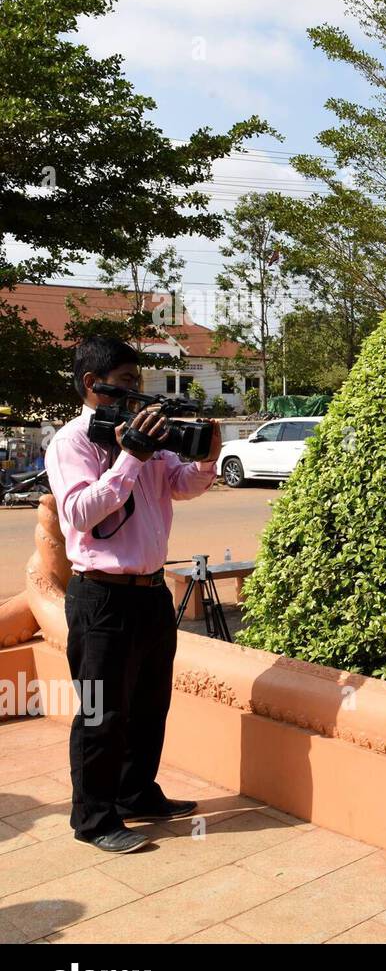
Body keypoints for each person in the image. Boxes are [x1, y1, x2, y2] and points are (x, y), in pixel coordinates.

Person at [45, 336, 222, 854]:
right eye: (125, 383)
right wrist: (129, 459)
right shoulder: (72, 442)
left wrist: (207, 462)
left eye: (136, 382)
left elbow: (181, 485)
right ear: (91, 385)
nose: (135, 393)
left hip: (149, 595)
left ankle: (136, 794)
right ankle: (95, 818)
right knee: (101, 712)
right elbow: (78, 513)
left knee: (149, 705)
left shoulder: (147, 433)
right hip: (100, 597)